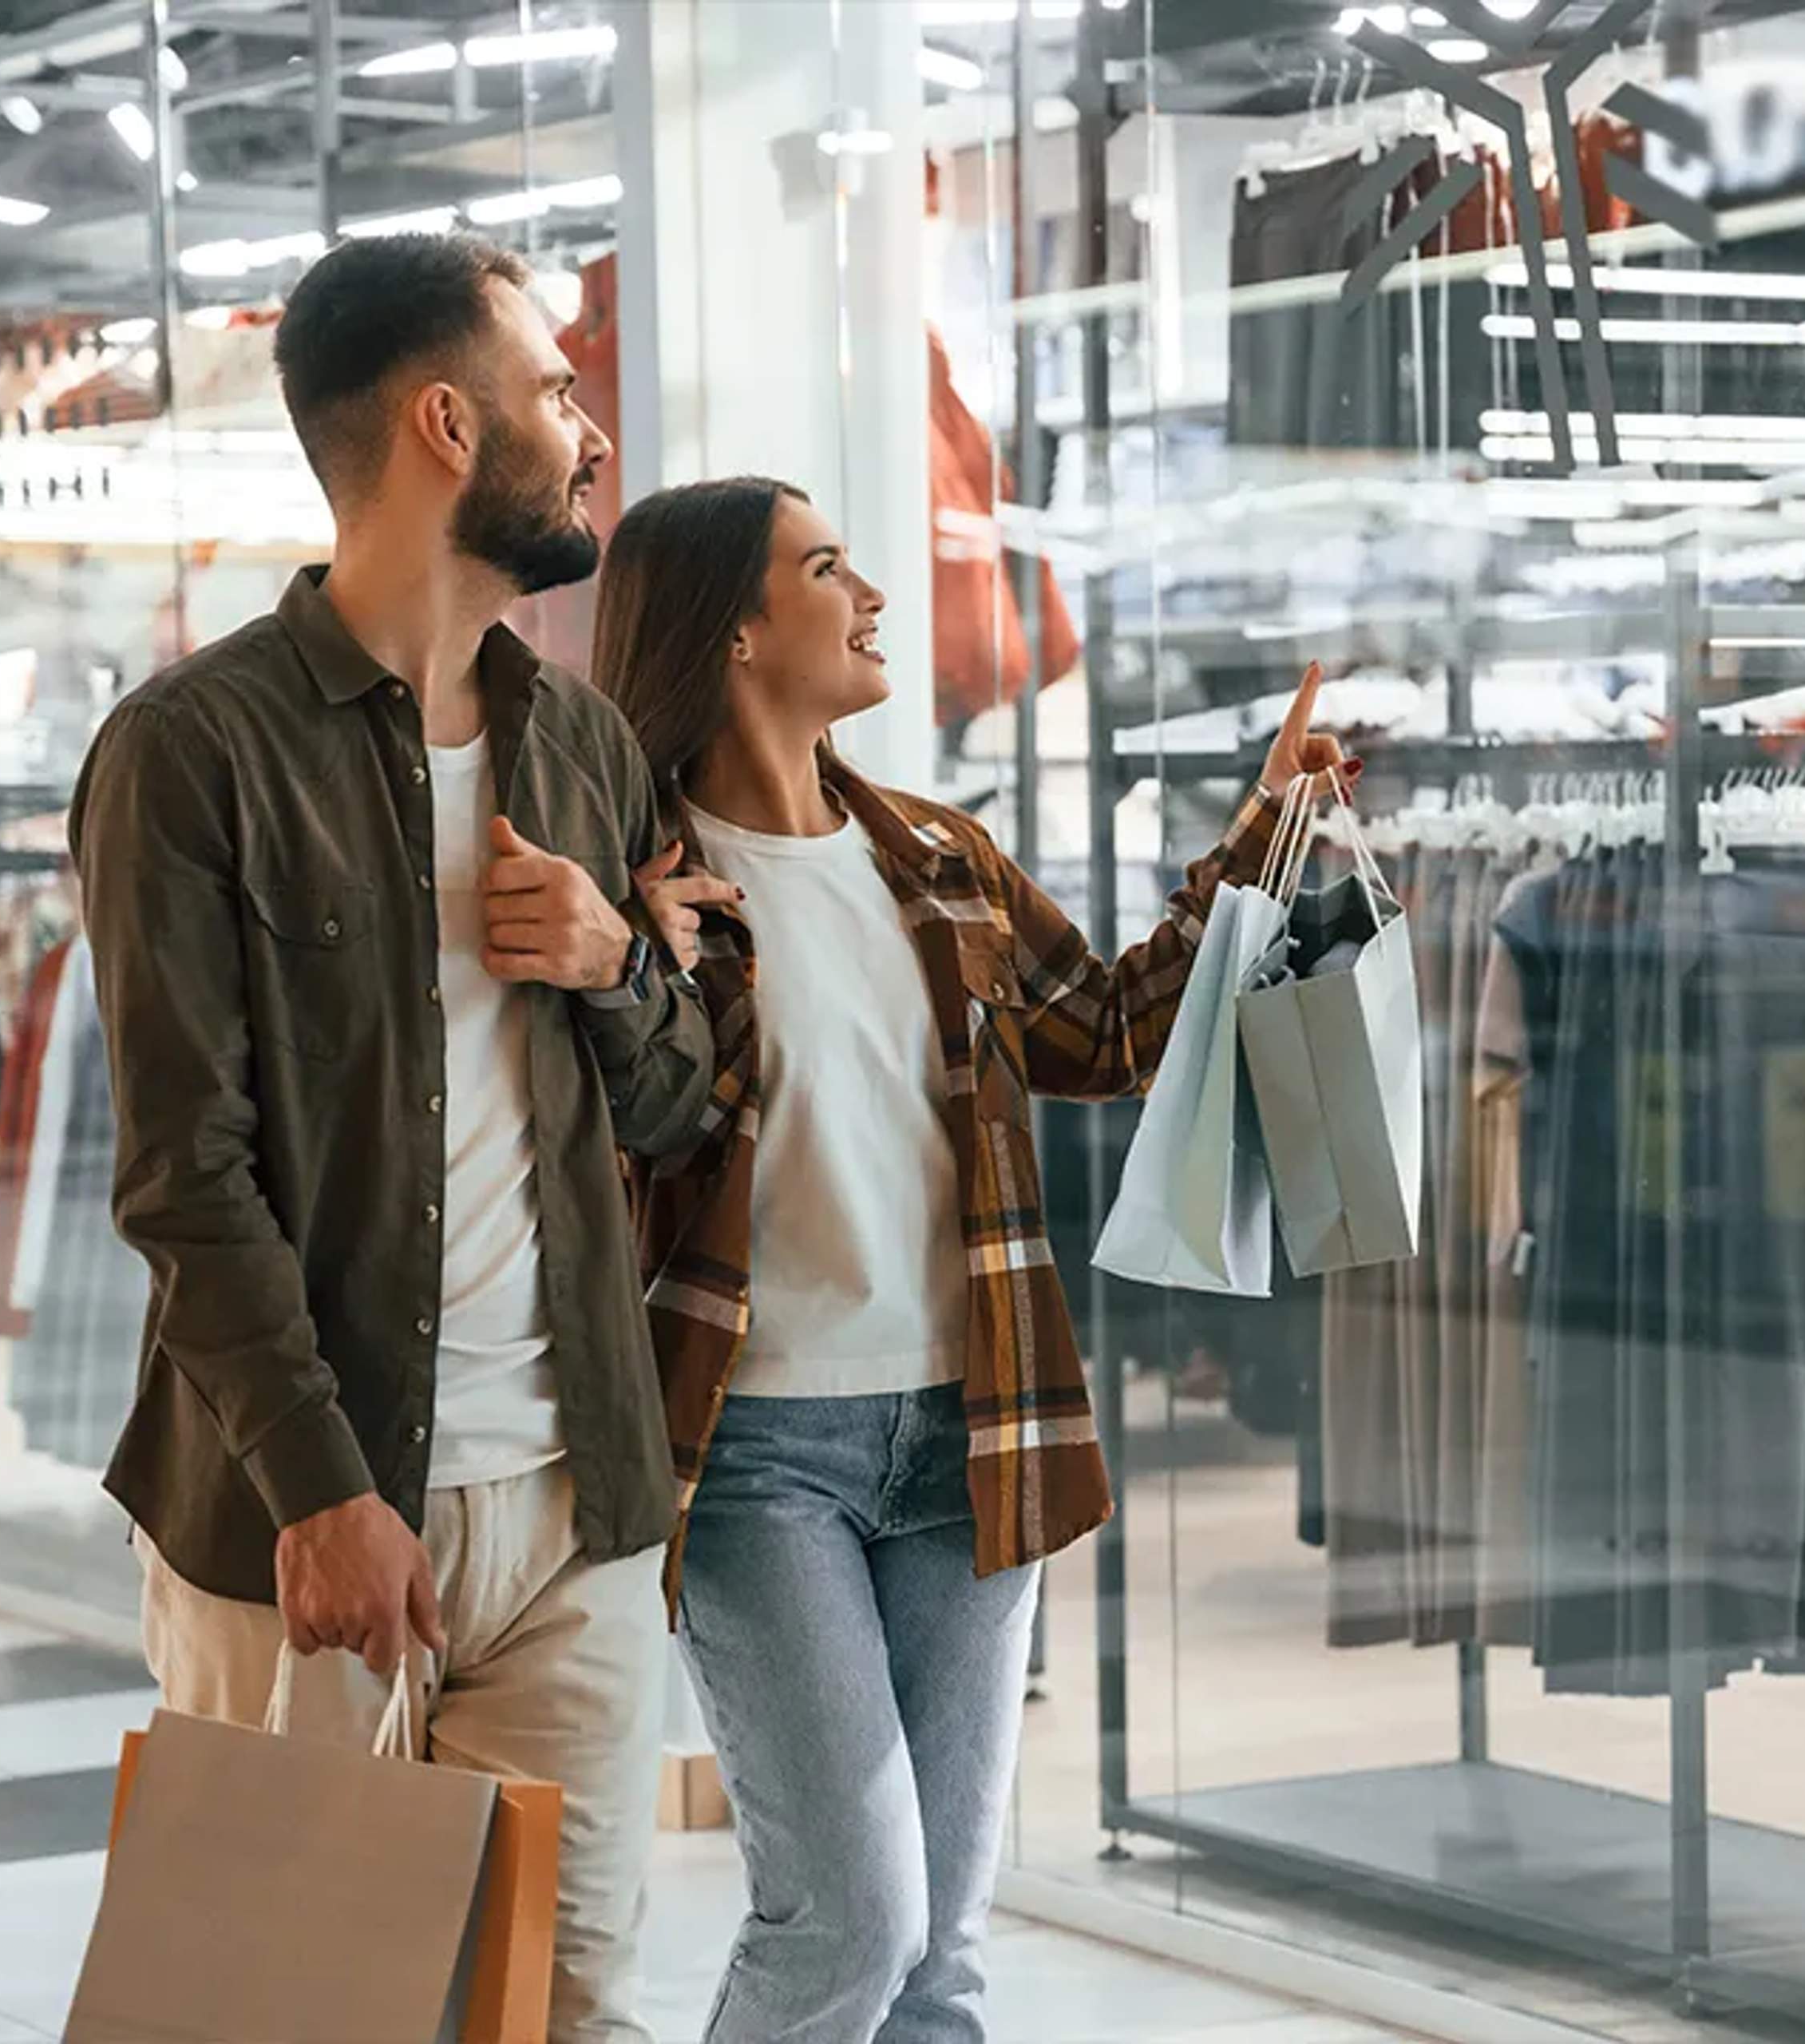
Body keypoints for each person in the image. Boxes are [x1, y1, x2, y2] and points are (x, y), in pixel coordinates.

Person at [594, 476, 1348, 2043]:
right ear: (734, 629)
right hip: (755, 1454)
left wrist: (1264, 837)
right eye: (825, 565)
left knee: (943, 1955)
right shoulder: (647, 893)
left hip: (972, 1428)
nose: (871, 590)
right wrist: (616, 955)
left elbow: (1112, 1026)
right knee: (849, 1925)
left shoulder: (934, 858)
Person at [69, 233, 711, 2044]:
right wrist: (319, 1486)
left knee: (571, 2008)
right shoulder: (191, 752)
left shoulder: (579, 742)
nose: (587, 433)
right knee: (287, 2014)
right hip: (305, 1519)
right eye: (557, 389)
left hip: (572, 1509)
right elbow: (183, 1177)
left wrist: (610, 966)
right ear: (447, 422)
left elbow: (676, 1104)